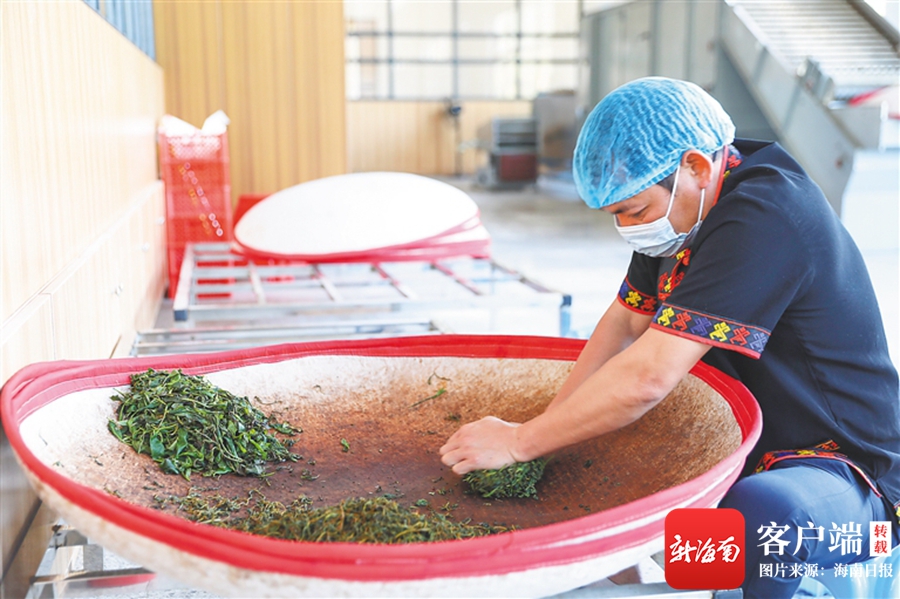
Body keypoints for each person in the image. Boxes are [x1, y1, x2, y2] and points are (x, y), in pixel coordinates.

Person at [439, 77, 900, 598]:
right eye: (618, 215)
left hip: (844, 475)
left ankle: (731, 584)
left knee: (760, 518)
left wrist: (520, 441)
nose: (629, 229)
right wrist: (543, 437)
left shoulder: (767, 215)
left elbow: (647, 378)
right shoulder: (683, 214)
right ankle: (672, 578)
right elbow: (623, 326)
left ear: (696, 168)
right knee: (591, 456)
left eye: (634, 212)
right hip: (742, 446)